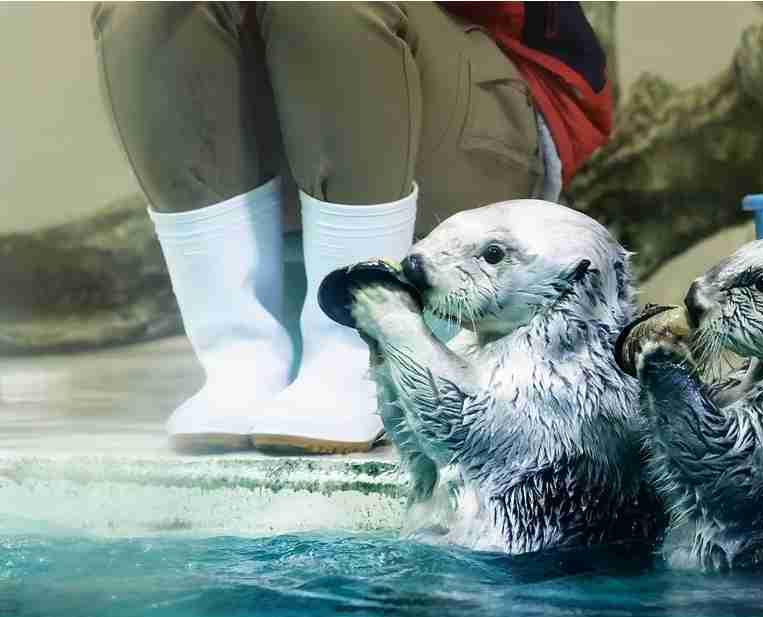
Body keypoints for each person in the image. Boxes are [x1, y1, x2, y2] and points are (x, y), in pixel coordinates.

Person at [91, 2, 613, 454]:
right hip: (283, 92)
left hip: (461, 100)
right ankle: (239, 357)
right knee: (144, 10)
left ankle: (355, 357)